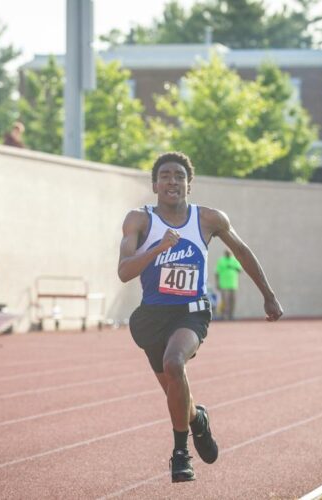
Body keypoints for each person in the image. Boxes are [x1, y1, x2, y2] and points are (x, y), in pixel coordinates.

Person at [118, 151, 283, 483]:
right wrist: (158, 248)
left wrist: (268, 295)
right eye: (165, 175)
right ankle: (197, 419)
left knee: (174, 363)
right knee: (176, 393)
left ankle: (180, 454)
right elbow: (124, 272)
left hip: (191, 312)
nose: (172, 181)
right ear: (154, 184)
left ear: (189, 184)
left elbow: (243, 252)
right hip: (152, 316)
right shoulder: (139, 221)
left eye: (179, 176)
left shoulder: (208, 219)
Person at [215, 250, 242, 320]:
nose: (228, 254)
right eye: (227, 253)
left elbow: (239, 270)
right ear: (225, 254)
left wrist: (232, 266)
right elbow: (217, 273)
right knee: (225, 301)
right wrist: (217, 283)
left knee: (233, 301)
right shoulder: (221, 260)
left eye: (229, 253)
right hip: (224, 285)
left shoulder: (235, 260)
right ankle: (224, 316)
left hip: (233, 284)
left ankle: (231, 316)